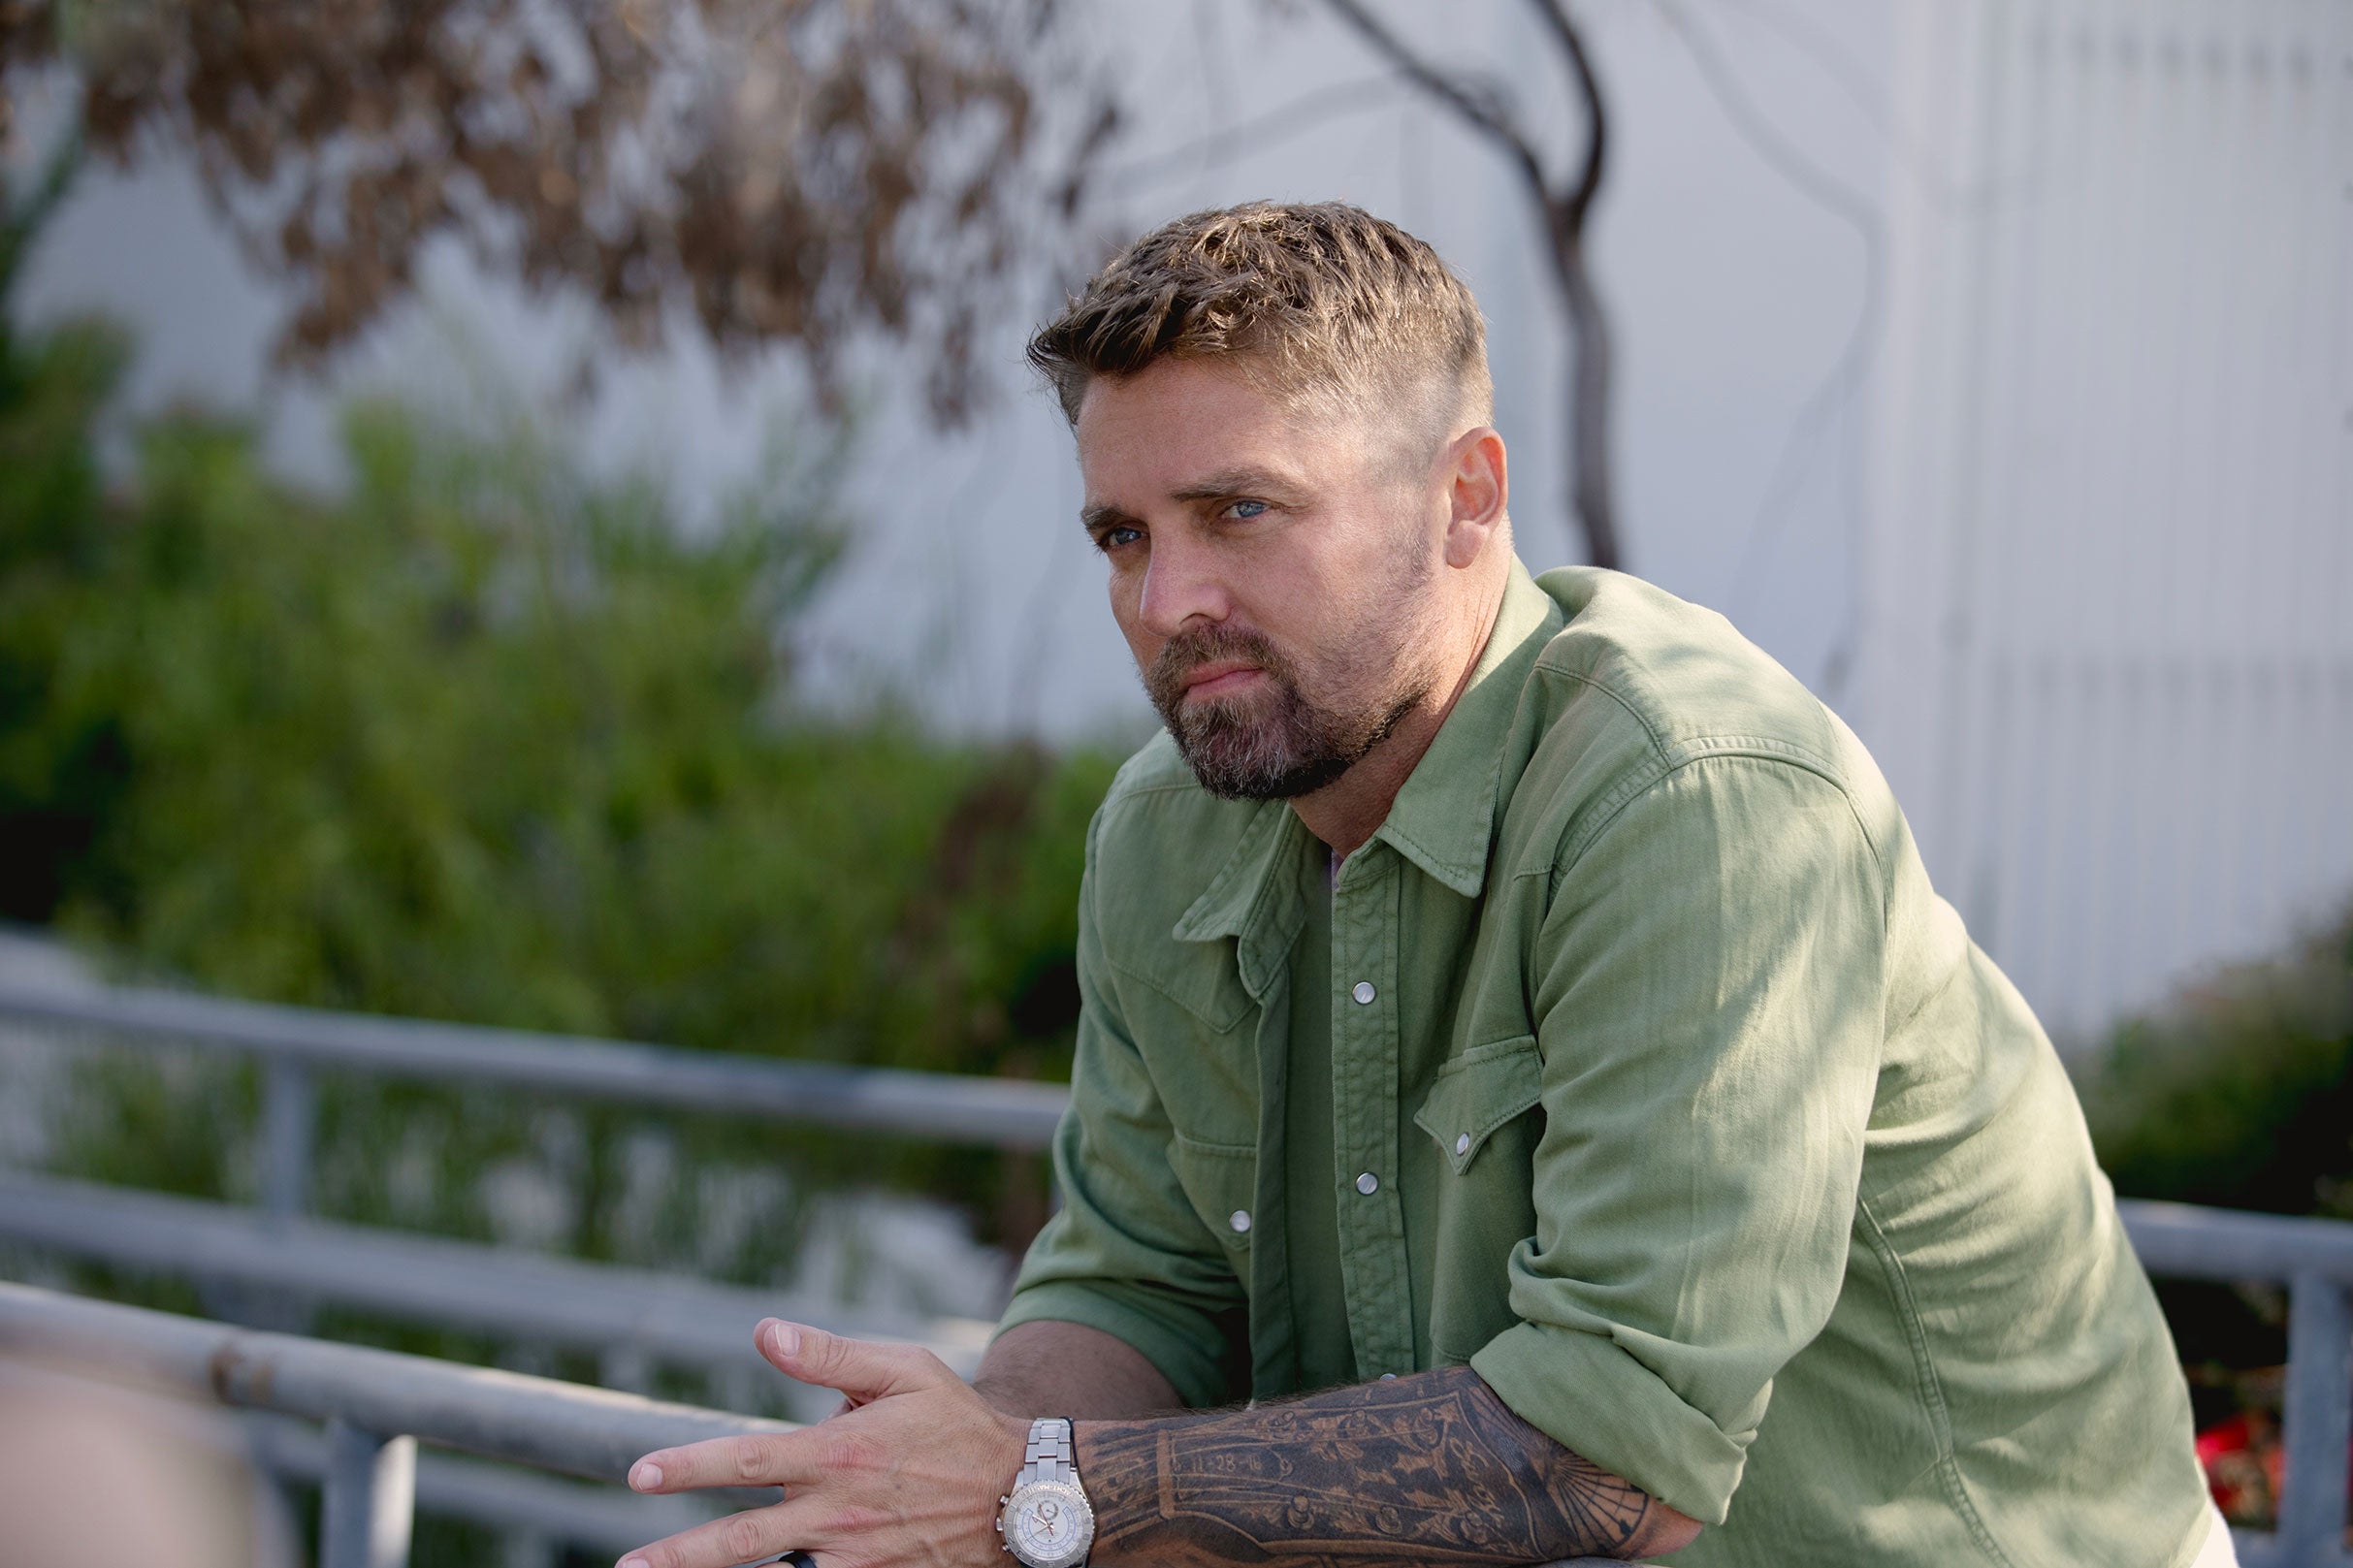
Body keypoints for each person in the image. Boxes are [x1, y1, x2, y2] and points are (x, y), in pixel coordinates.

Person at [615, 203, 2226, 1568]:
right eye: (1121, 535)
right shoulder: (1167, 830)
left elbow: (1616, 1451)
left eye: (1239, 510)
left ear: (1464, 498)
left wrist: (1045, 1493)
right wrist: (957, 1462)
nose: (1167, 601)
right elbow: (1140, 1283)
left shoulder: (1695, 794)